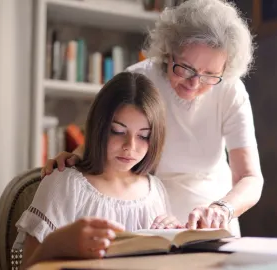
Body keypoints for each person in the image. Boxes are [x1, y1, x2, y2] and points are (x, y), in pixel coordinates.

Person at [42, 0, 264, 237]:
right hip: (148, 214)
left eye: (210, 75)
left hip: (212, 221)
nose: (194, 83)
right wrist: (74, 158)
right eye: (185, 68)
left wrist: (223, 209)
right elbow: (107, 139)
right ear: (168, 52)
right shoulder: (138, 80)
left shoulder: (230, 90)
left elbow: (250, 177)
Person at [15, 72, 181, 268]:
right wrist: (58, 242)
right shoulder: (66, 184)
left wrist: (173, 237)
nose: (130, 146)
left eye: (144, 136)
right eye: (118, 132)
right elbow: (28, 266)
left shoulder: (155, 191)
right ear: (99, 126)